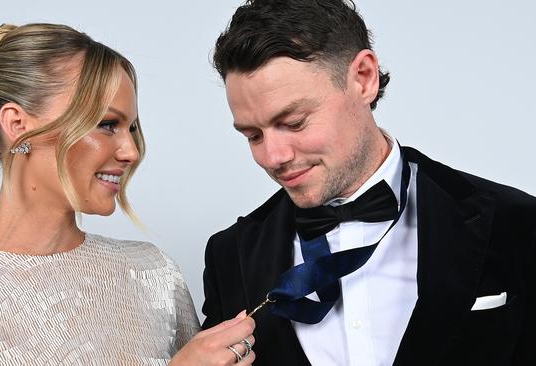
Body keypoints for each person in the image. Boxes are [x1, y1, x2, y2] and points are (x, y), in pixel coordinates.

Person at [0, 23, 255, 365]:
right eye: (106, 124)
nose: (131, 151)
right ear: (17, 125)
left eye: (132, 127)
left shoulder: (154, 274)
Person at [201, 0, 535, 365]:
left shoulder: (516, 224)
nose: (273, 157)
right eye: (252, 135)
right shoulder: (229, 257)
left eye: (294, 122)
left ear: (363, 78)